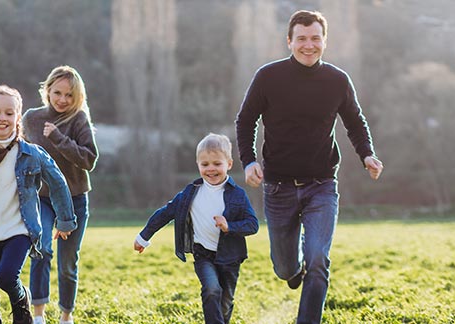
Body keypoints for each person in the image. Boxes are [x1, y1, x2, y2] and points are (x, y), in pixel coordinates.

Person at [235, 10, 384, 324]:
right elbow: (246, 120)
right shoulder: (268, 77)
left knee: (318, 260)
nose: (308, 45)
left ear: (324, 41)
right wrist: (248, 161)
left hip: (321, 185)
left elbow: (356, 123)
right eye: (301, 38)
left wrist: (366, 154)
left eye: (315, 38)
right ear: (289, 41)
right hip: (278, 187)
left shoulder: (337, 80)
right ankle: (293, 268)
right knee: (285, 268)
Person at [0, 85, 76, 324]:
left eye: (9, 113)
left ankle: (22, 305)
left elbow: (58, 184)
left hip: (20, 229)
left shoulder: (33, 154)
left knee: (7, 277)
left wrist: (65, 220)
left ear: (18, 117)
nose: (2, 118)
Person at [134, 133, 259, 324]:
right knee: (211, 289)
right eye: (205, 164)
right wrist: (144, 237)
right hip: (203, 255)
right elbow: (166, 213)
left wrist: (229, 226)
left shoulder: (237, 195)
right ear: (198, 164)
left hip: (230, 258)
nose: (211, 169)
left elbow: (253, 224)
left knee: (225, 301)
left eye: (217, 164)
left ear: (229, 164)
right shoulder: (190, 193)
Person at [22, 65, 98, 324]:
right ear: (47, 90)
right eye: (57, 93)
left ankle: (66, 316)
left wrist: (58, 139)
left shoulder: (78, 120)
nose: (62, 99)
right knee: (41, 250)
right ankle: (39, 316)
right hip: (42, 198)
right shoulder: (31, 118)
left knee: (67, 262)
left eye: (69, 95)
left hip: (75, 198)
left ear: (77, 97)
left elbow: (89, 159)